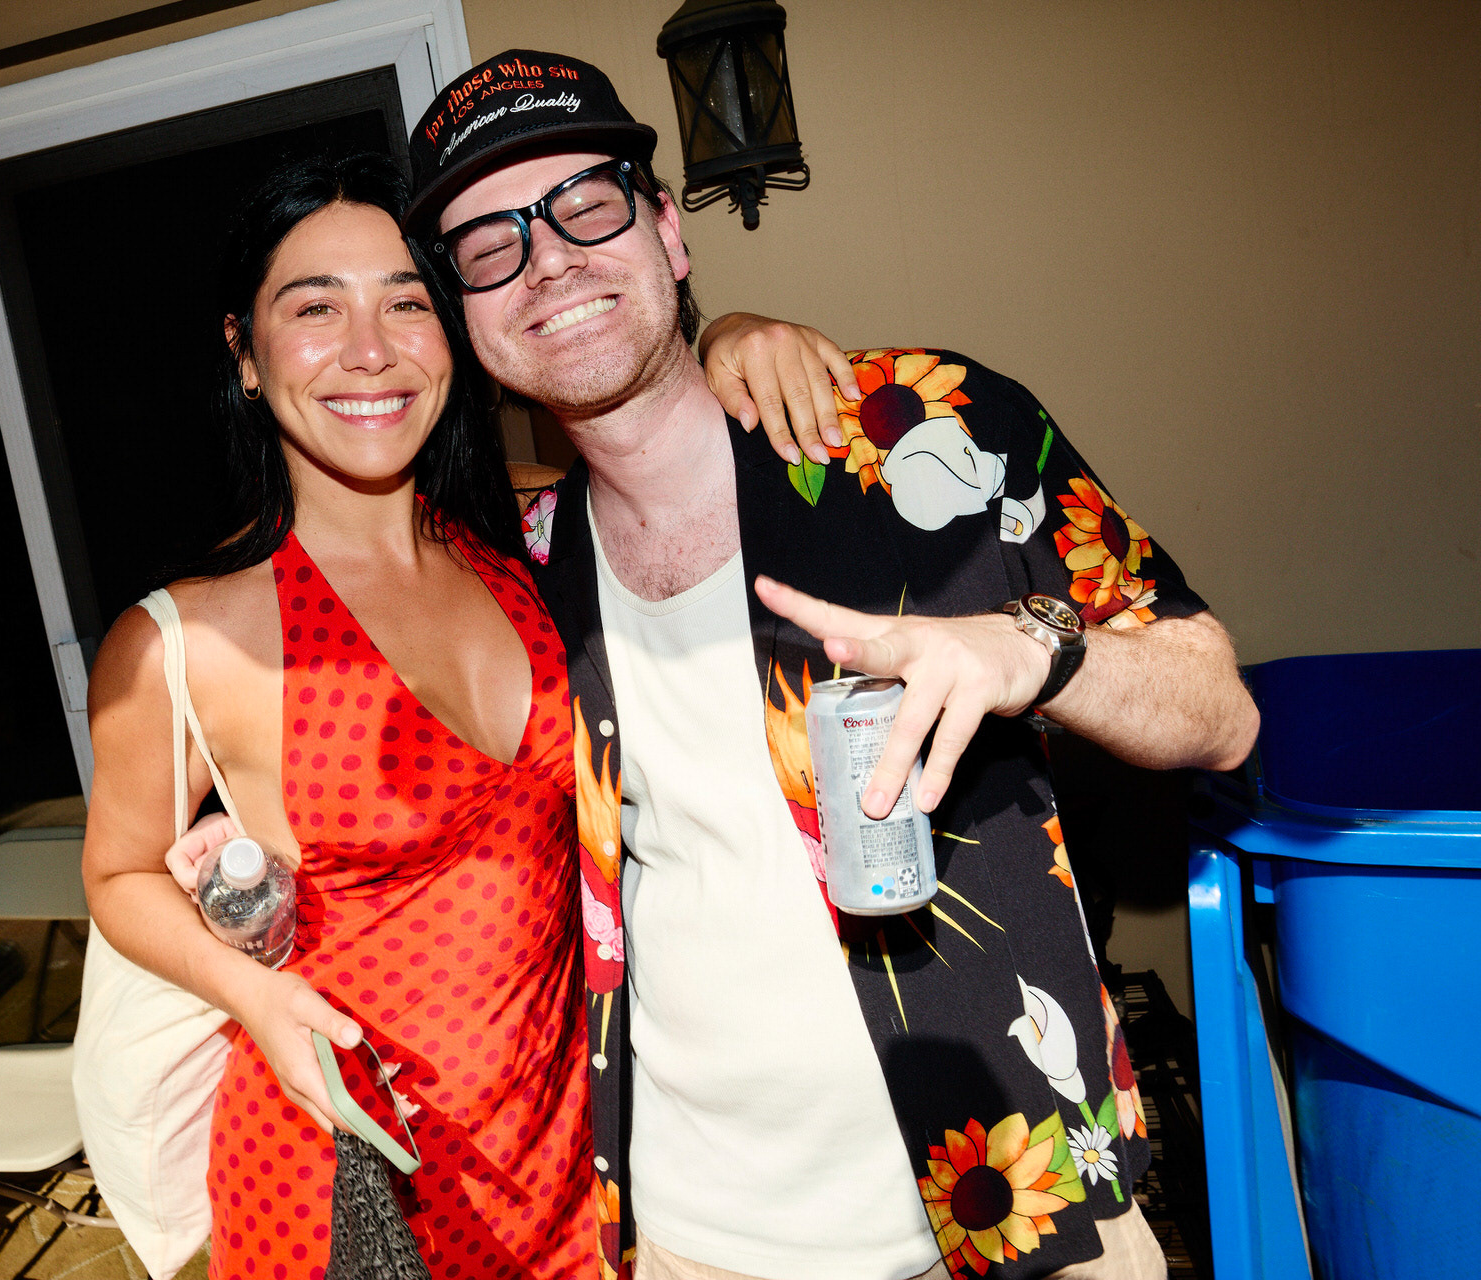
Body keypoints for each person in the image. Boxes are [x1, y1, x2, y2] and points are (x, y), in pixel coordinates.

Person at [406, 51, 1259, 1280]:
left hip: (1023, 1198)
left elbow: (1220, 710)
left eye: (586, 205)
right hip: (694, 1236)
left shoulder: (929, 428)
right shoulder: (522, 569)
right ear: (467, 314)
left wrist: (1031, 648)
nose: (547, 261)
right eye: (490, 244)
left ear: (668, 231)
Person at [80, 152, 853, 1279]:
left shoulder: (528, 540)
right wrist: (251, 991)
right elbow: (117, 874)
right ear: (244, 352)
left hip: (574, 1155)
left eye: (407, 303)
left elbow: (661, 443)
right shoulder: (184, 639)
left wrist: (732, 332)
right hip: (348, 1175)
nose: (370, 349)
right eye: (315, 308)